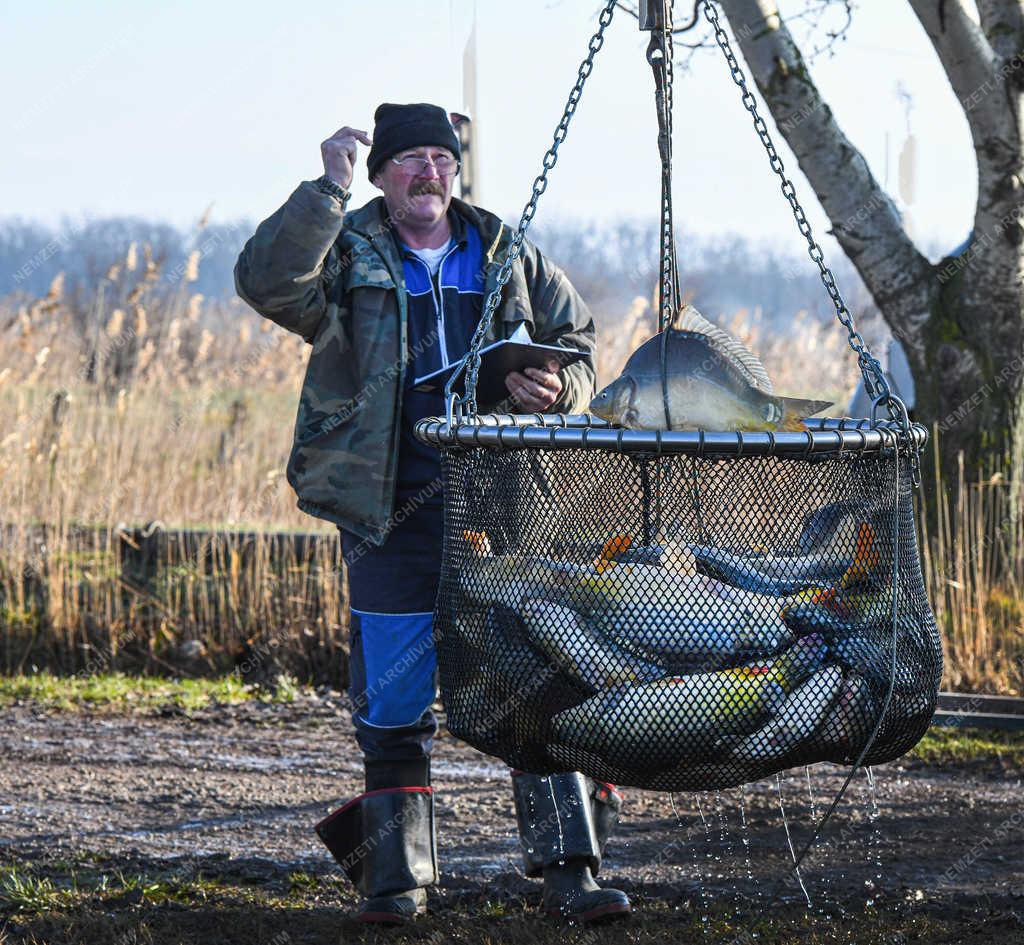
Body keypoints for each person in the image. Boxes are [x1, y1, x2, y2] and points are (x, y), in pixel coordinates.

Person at [234, 102, 630, 926]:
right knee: (392, 698)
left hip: (509, 510)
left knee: (536, 683)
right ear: (379, 176)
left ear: (457, 171)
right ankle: (397, 880)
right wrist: (324, 191)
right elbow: (266, 282)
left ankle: (572, 872)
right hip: (389, 511)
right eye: (407, 159)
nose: (427, 173)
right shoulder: (347, 249)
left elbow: (582, 347)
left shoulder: (507, 252)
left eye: (440, 159)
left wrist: (560, 391)